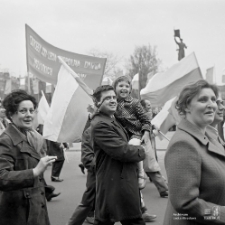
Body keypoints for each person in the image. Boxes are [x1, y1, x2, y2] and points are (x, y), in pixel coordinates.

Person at [163, 80, 225, 224]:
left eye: (213, 99)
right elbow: (187, 204)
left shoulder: (209, 136)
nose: (212, 105)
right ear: (186, 107)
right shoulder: (183, 144)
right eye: (203, 100)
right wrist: (222, 214)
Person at [90, 85, 146, 225]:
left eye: (114, 97)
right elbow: (122, 151)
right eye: (107, 98)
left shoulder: (112, 119)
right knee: (130, 220)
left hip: (120, 180)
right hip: (115, 183)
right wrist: (141, 150)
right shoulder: (100, 124)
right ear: (97, 103)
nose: (113, 100)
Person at [0, 90, 57, 225]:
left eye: (32, 110)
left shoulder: (31, 136)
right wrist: (35, 171)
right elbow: (2, 177)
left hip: (34, 209)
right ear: (11, 114)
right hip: (19, 213)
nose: (29, 115)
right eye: (23, 111)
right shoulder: (6, 140)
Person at [114, 76, 168, 198]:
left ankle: (163, 189)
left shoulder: (134, 103)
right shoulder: (113, 103)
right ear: (114, 88)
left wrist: (146, 133)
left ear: (130, 89)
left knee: (150, 165)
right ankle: (130, 195)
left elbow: (146, 121)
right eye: (120, 86)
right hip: (123, 139)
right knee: (126, 166)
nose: (124, 88)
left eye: (127, 86)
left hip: (139, 135)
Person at [67, 118, 95, 225]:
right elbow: (88, 158)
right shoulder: (90, 130)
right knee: (89, 198)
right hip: (97, 172)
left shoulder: (116, 126)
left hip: (111, 173)